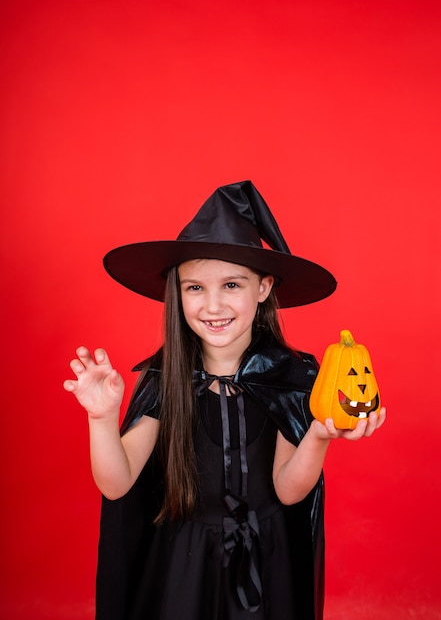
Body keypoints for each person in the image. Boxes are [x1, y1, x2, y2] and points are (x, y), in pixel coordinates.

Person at [64, 181, 385, 620]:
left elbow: (290, 492)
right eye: (194, 288)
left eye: (231, 284)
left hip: (266, 563)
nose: (212, 305)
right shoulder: (164, 379)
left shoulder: (291, 378)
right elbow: (117, 484)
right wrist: (102, 418)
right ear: (176, 293)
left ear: (263, 288)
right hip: (181, 563)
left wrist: (318, 435)